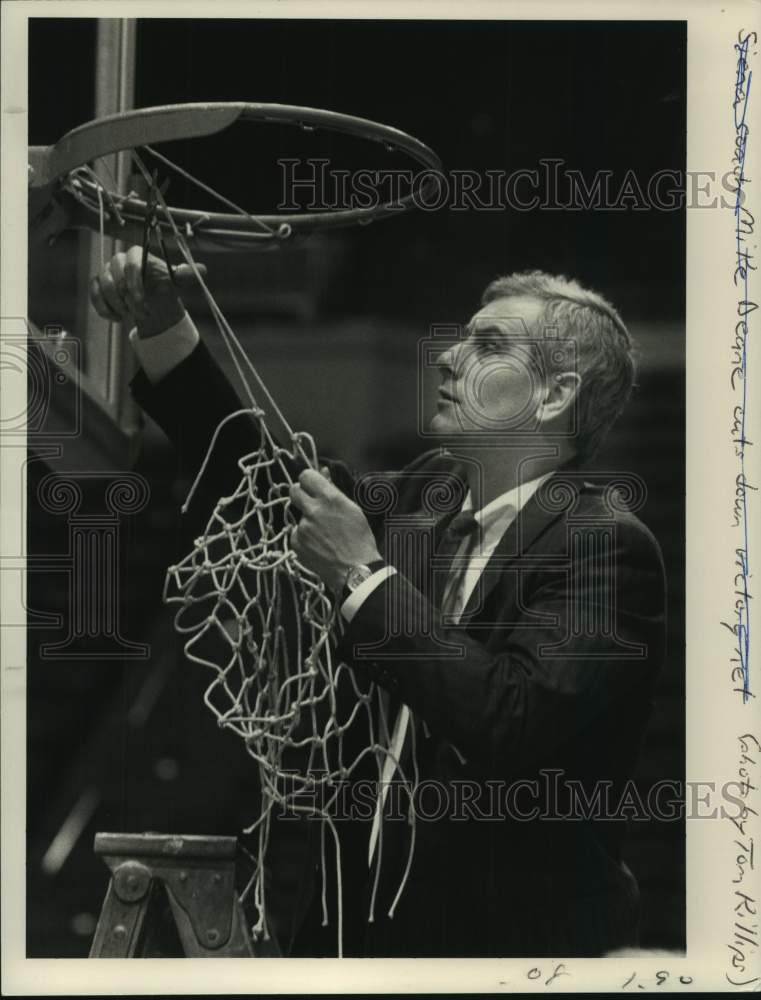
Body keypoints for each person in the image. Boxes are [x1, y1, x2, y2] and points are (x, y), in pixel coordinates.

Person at [90, 246, 667, 958]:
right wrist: (166, 328)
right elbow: (264, 494)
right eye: (460, 338)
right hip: (356, 931)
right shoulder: (426, 494)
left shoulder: (605, 543)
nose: (448, 359)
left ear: (554, 396)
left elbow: (509, 720)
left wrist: (363, 575)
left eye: (487, 345)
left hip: (512, 949)